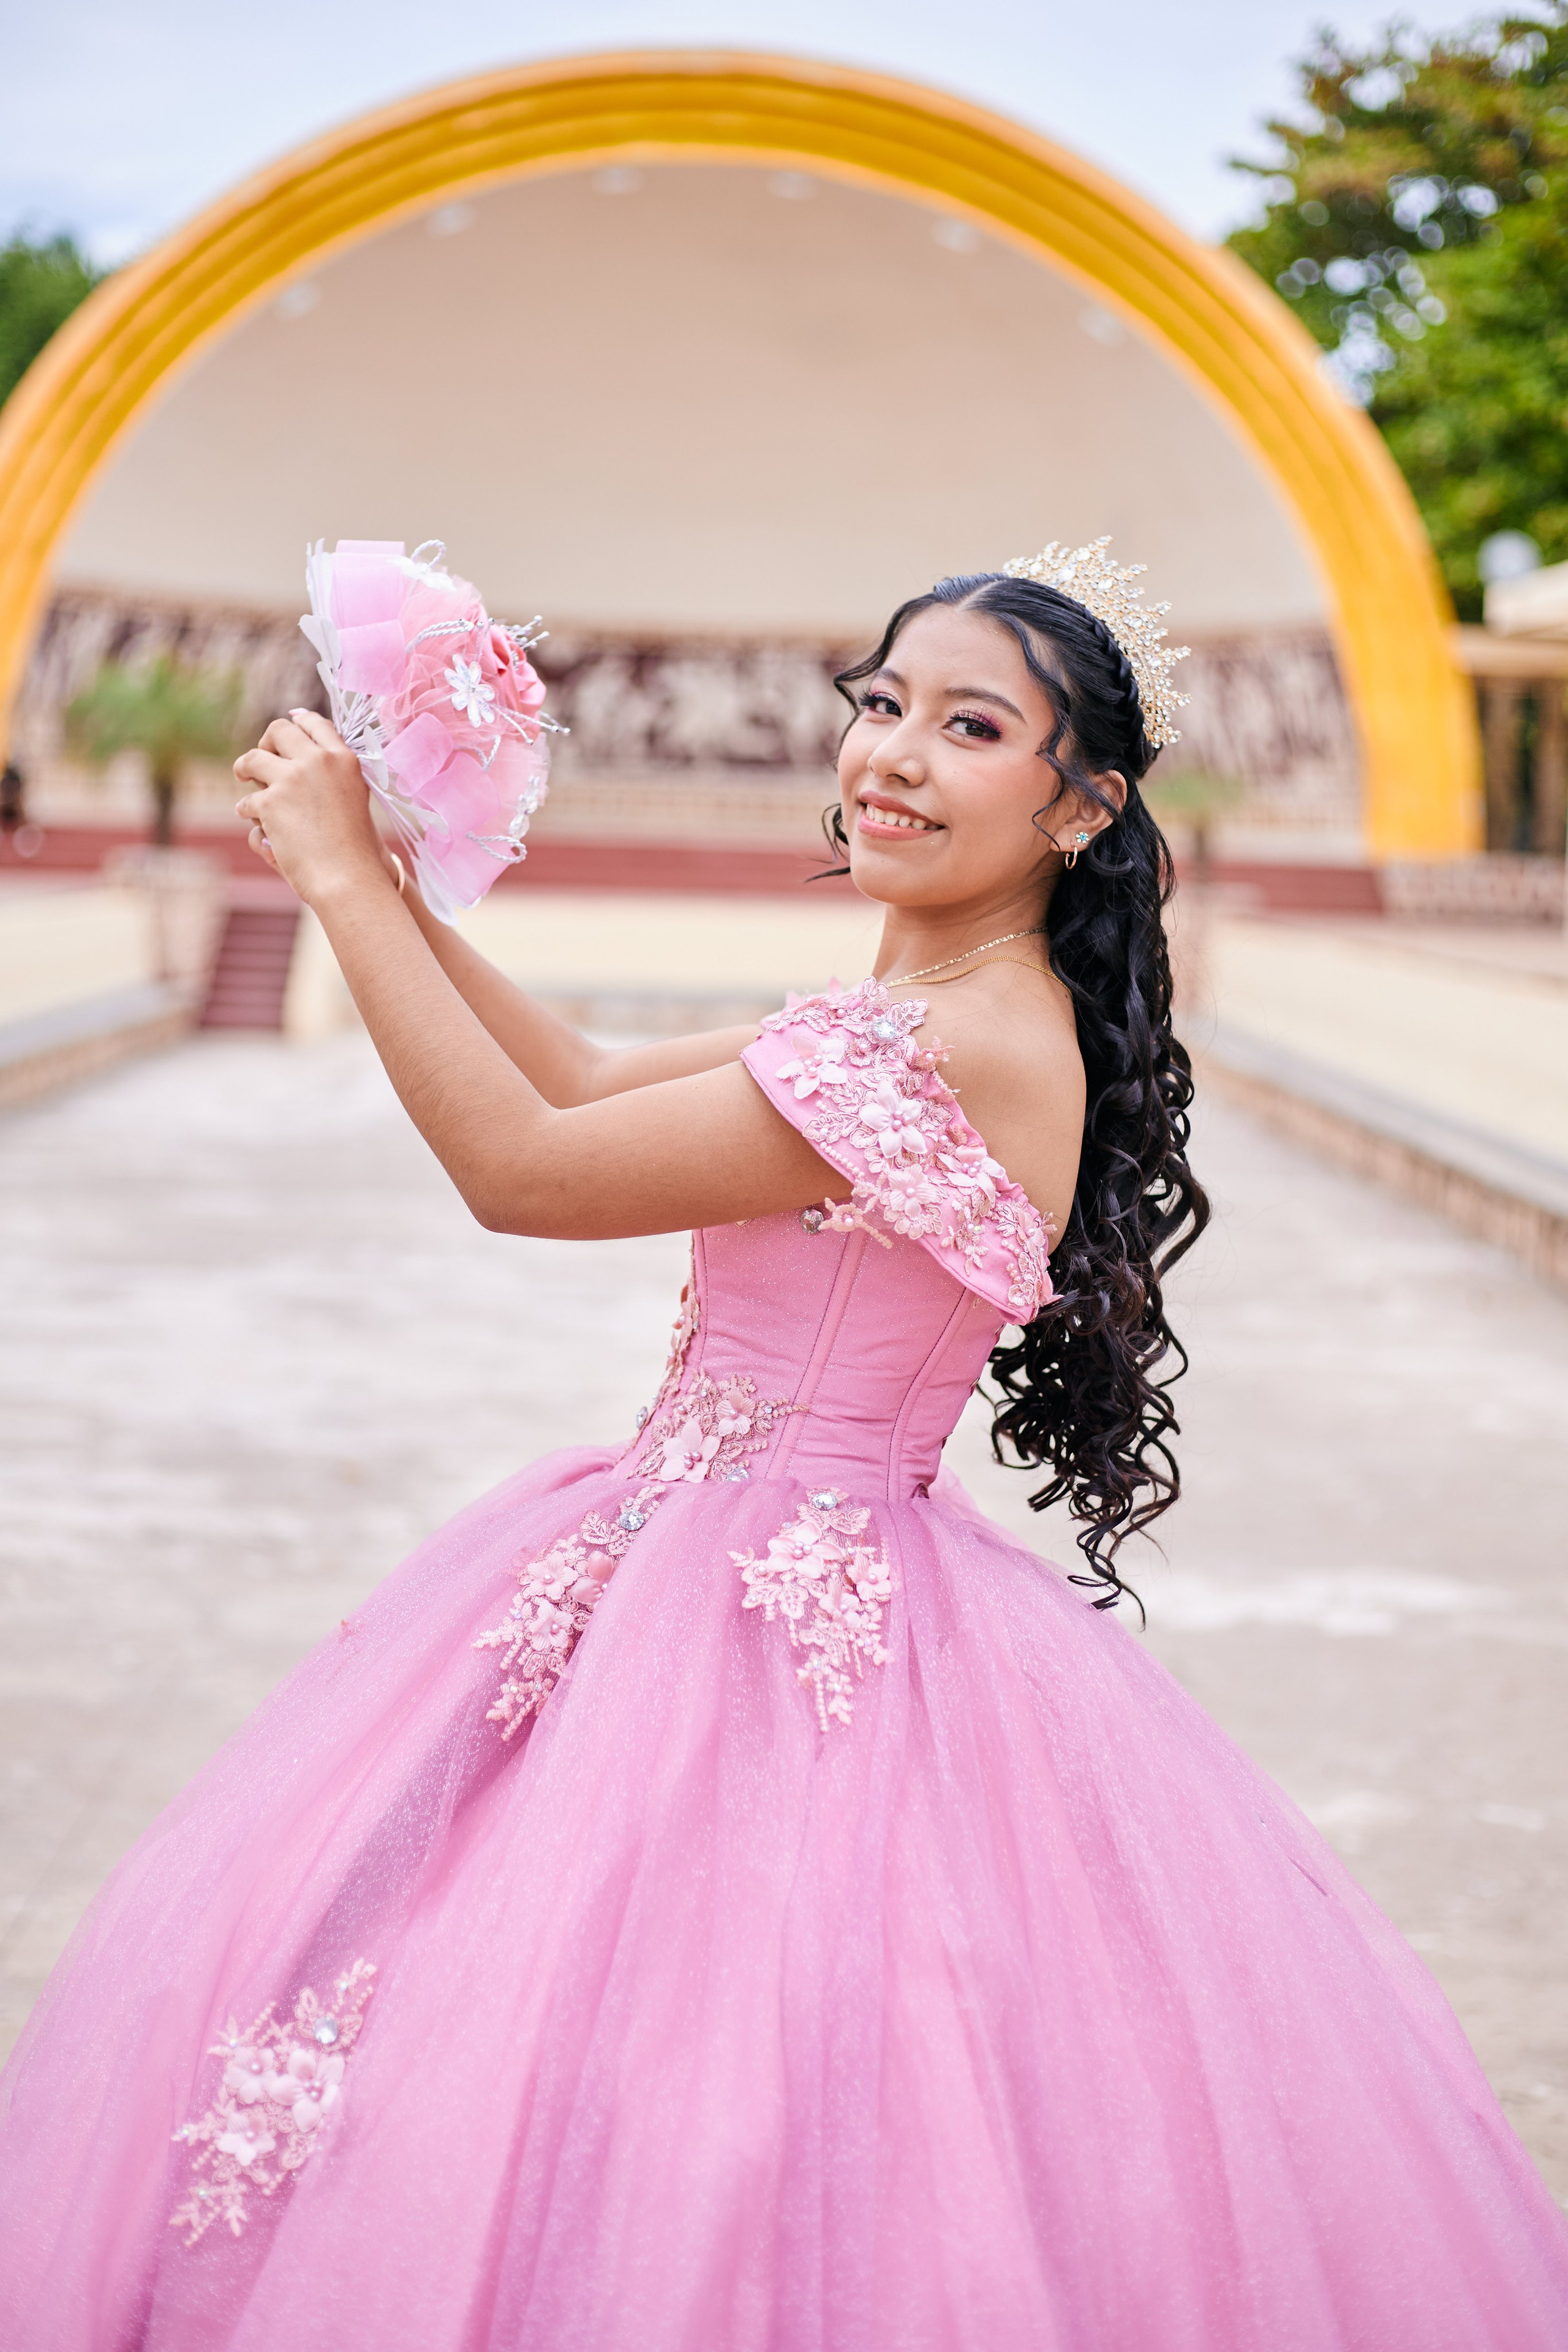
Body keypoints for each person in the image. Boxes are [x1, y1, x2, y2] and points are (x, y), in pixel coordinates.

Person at [1, 548, 1564, 2352]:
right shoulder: (907, 1018)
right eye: (882, 704)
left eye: (972, 726)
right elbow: (581, 1079)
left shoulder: (958, 1045)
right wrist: (397, 887)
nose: (894, 753)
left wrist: (345, 882)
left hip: (762, 1614)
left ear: (1085, 803)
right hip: (683, 1554)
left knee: (734, 2092)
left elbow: (527, 1174)